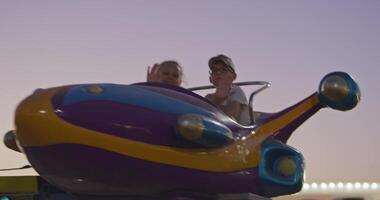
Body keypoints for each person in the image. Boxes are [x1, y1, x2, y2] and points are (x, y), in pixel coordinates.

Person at [205, 54, 250, 126]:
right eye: (214, 70)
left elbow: (232, 113)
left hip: (240, 132)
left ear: (234, 76)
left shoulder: (235, 90)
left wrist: (213, 104)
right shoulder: (208, 97)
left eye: (224, 70)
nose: (218, 73)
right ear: (210, 79)